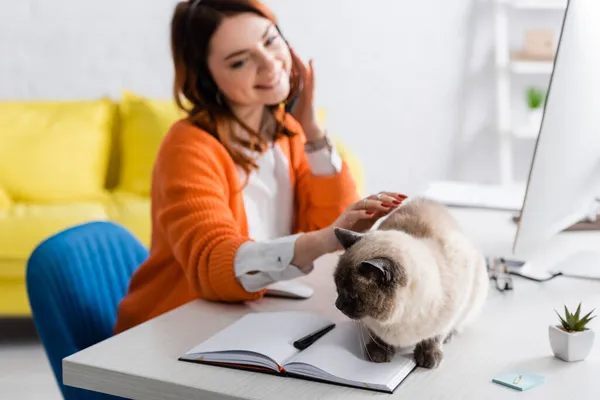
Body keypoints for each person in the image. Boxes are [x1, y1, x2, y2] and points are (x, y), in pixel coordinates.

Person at [113, 0, 407, 334]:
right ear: (206, 78)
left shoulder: (288, 131)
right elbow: (213, 267)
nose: (269, 65)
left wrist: (312, 129)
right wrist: (325, 239)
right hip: (170, 330)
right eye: (239, 61)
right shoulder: (189, 146)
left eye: (270, 40)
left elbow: (331, 232)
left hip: (246, 319)